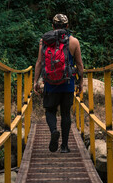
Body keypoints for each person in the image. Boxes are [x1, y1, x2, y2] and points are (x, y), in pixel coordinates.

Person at [34, 14, 84, 153]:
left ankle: (54, 131)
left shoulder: (44, 41)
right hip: (67, 83)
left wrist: (36, 81)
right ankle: (65, 146)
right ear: (67, 26)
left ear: (52, 26)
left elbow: (39, 62)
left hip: (50, 83)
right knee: (66, 113)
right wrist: (80, 82)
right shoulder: (74, 42)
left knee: (50, 111)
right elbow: (79, 64)